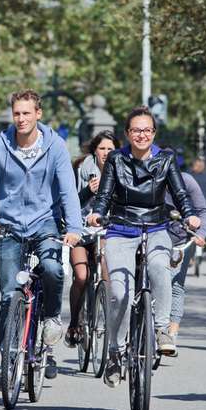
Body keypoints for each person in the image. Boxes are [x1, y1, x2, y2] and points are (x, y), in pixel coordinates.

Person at [0, 89, 82, 390]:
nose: (21, 119)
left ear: (38, 114)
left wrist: (74, 228)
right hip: (8, 226)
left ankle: (50, 318)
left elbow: (67, 191)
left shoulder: (55, 146)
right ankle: (8, 363)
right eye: (16, 113)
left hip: (44, 223)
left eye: (26, 113)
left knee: (51, 268)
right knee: (9, 298)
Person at [86, 106, 201, 388]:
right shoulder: (115, 159)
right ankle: (116, 351)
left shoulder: (165, 159)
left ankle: (162, 331)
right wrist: (97, 212)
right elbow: (105, 195)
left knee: (160, 269)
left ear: (154, 133)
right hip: (121, 229)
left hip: (156, 227)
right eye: (136, 130)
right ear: (127, 134)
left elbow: (180, 193)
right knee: (121, 292)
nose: (142, 135)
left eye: (147, 130)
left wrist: (189, 214)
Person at [65, 130, 120, 347]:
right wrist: (88, 191)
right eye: (102, 148)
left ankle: (110, 322)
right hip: (80, 229)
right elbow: (71, 202)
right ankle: (75, 322)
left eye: (110, 149)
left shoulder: (121, 169)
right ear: (94, 151)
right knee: (81, 275)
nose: (106, 153)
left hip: (107, 230)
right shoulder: (81, 169)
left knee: (106, 273)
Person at [167, 164, 206, 347]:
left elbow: (202, 210)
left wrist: (201, 233)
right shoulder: (149, 179)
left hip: (181, 240)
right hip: (152, 237)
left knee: (176, 285)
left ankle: (172, 334)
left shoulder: (188, 181)